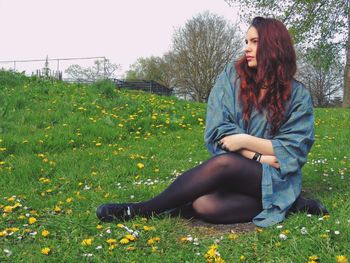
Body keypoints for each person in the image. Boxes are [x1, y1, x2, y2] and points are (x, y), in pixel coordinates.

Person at [96, 17, 328, 227]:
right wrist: (257, 155)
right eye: (246, 41)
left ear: (274, 46)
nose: (246, 48)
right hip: (239, 167)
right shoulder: (231, 77)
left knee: (224, 165)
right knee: (205, 205)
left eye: (254, 41)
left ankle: (140, 210)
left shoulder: (298, 95)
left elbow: (294, 148)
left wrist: (243, 141)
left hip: (277, 176)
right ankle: (290, 204)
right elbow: (219, 131)